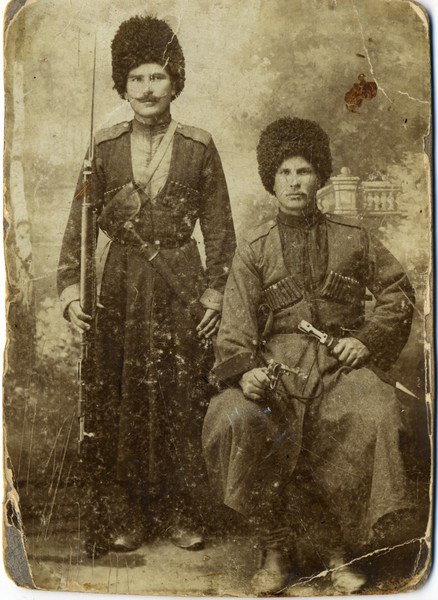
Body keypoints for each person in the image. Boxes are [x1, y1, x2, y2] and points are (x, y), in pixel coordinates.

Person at [202, 117, 417, 594]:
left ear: (320, 177)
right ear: (271, 180)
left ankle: (341, 550)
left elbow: (398, 293)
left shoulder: (354, 236)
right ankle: (274, 550)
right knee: (234, 416)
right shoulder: (254, 250)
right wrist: (247, 373)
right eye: (284, 173)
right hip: (277, 373)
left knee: (374, 409)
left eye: (304, 171)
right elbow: (235, 328)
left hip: (340, 368)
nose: (295, 182)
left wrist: (367, 339)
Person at [58, 15, 235, 557]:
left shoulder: (199, 146)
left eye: (157, 76)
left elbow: (221, 232)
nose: (147, 89)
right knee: (120, 397)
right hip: (120, 285)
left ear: (174, 81)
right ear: (122, 86)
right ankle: (127, 512)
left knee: (182, 396)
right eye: (136, 79)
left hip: (181, 284)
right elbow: (78, 228)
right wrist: (71, 293)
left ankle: (180, 511)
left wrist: (214, 294)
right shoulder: (104, 147)